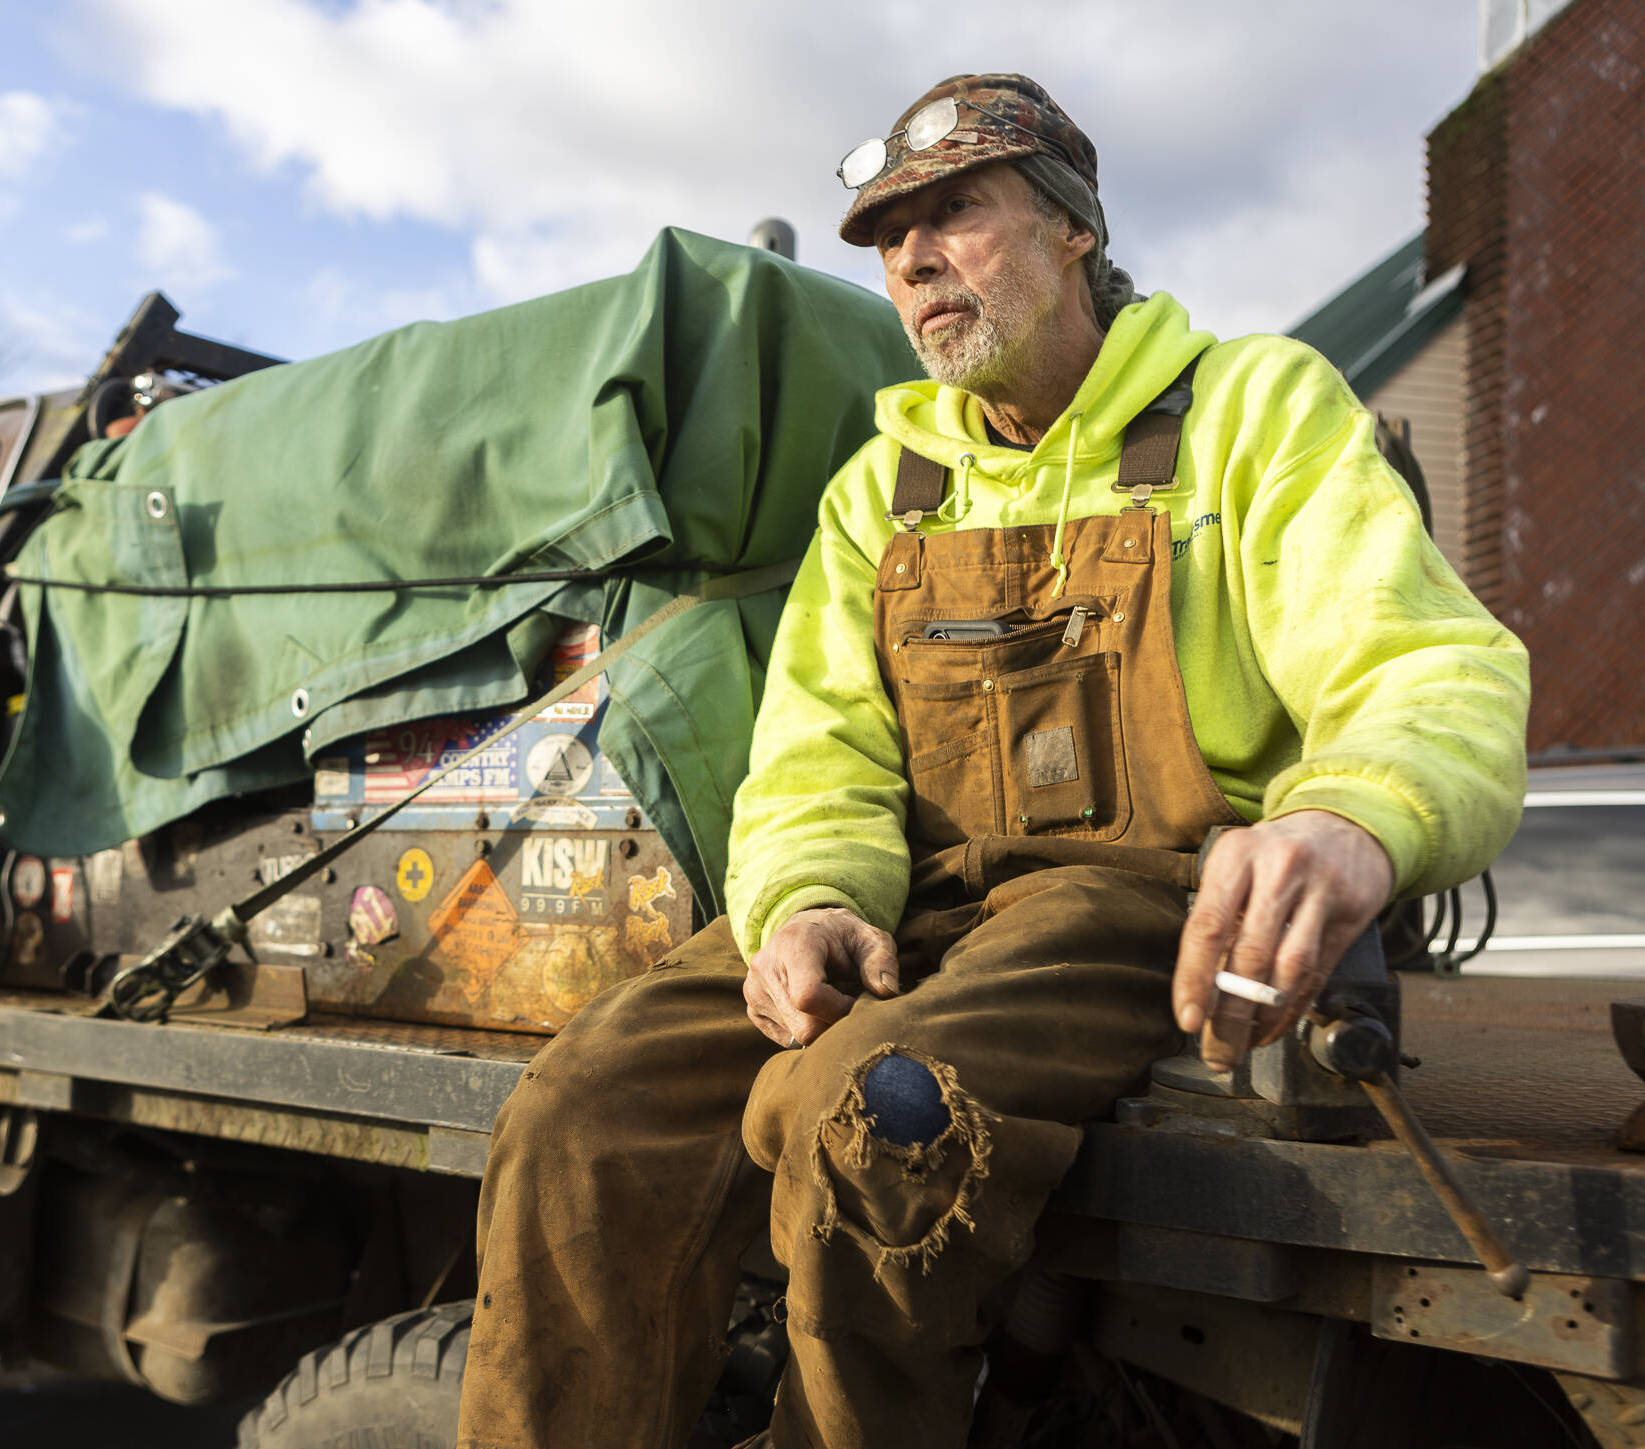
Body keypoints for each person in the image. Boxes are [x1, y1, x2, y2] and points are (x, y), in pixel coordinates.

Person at [456, 73, 1530, 1449]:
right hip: (917, 905)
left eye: (954, 212)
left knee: (884, 1121)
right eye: (891, 236)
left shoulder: (1252, 410)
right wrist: (810, 903)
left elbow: (1427, 663)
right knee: (576, 1112)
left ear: (1074, 227)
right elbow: (816, 758)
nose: (910, 258)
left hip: (1138, 900)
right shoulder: (881, 491)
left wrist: (1346, 817)